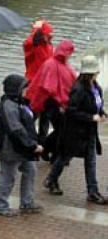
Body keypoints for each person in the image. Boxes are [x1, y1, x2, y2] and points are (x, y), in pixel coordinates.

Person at [43, 55, 106, 204]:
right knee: (65, 156)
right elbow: (71, 111)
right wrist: (91, 117)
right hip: (75, 131)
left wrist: (102, 113)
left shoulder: (95, 87)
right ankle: (52, 179)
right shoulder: (78, 89)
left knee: (90, 160)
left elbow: (96, 105)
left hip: (89, 131)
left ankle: (92, 191)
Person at [0, 74, 44, 217]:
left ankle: (27, 202)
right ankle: (1, 206)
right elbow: (16, 130)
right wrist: (32, 146)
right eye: (24, 87)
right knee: (8, 177)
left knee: (30, 171)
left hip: (21, 147)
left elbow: (27, 119)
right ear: (16, 89)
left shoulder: (19, 102)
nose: (27, 89)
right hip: (11, 149)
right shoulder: (9, 105)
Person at [27, 39, 76, 153]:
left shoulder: (61, 65)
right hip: (52, 104)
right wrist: (60, 104)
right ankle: (47, 148)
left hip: (56, 104)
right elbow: (48, 87)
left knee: (61, 130)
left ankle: (49, 149)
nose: (69, 56)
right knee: (61, 130)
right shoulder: (51, 64)